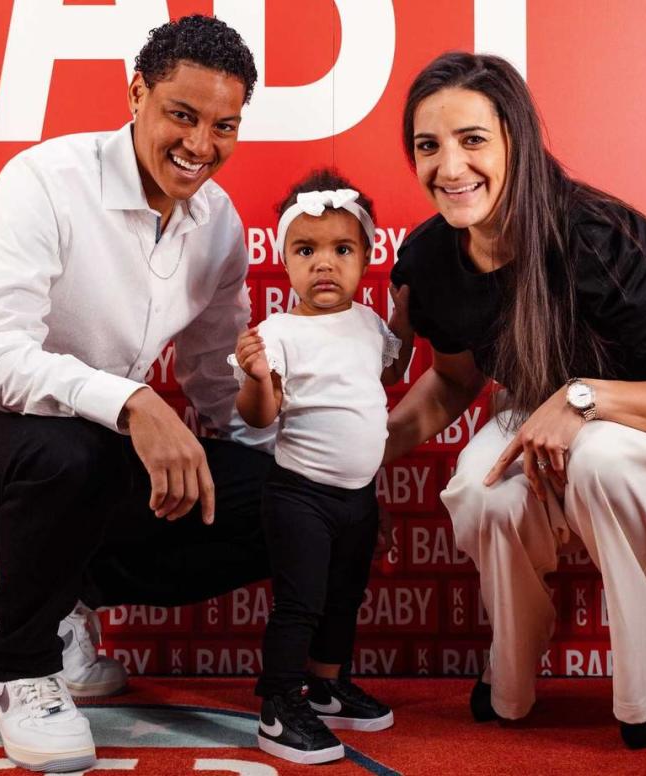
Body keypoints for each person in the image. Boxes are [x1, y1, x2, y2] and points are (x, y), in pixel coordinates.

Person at [0, 16, 274, 773]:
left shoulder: (219, 225)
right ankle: (21, 667)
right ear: (136, 95)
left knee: (279, 500)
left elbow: (214, 384)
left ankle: (45, 598)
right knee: (74, 446)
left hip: (79, 471)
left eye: (224, 126)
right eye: (182, 116)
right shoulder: (47, 181)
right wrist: (132, 402)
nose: (201, 146)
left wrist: (314, 480)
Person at [386, 52, 646, 749]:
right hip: (549, 424)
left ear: (515, 141)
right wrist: (361, 449)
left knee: (605, 459)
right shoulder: (433, 257)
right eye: (428, 146)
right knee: (481, 490)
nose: (450, 167)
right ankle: (513, 675)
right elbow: (456, 381)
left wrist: (583, 400)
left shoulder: (594, 237)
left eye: (472, 140)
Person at [230, 170, 411, 765]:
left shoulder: (367, 325)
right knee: (300, 601)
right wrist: (257, 377)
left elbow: (387, 374)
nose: (324, 264)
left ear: (365, 257)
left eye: (342, 250)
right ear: (284, 261)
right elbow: (260, 417)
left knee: (343, 596)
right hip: (299, 495)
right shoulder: (278, 333)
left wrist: (405, 315)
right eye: (307, 251)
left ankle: (325, 685)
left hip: (357, 497)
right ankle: (280, 704)